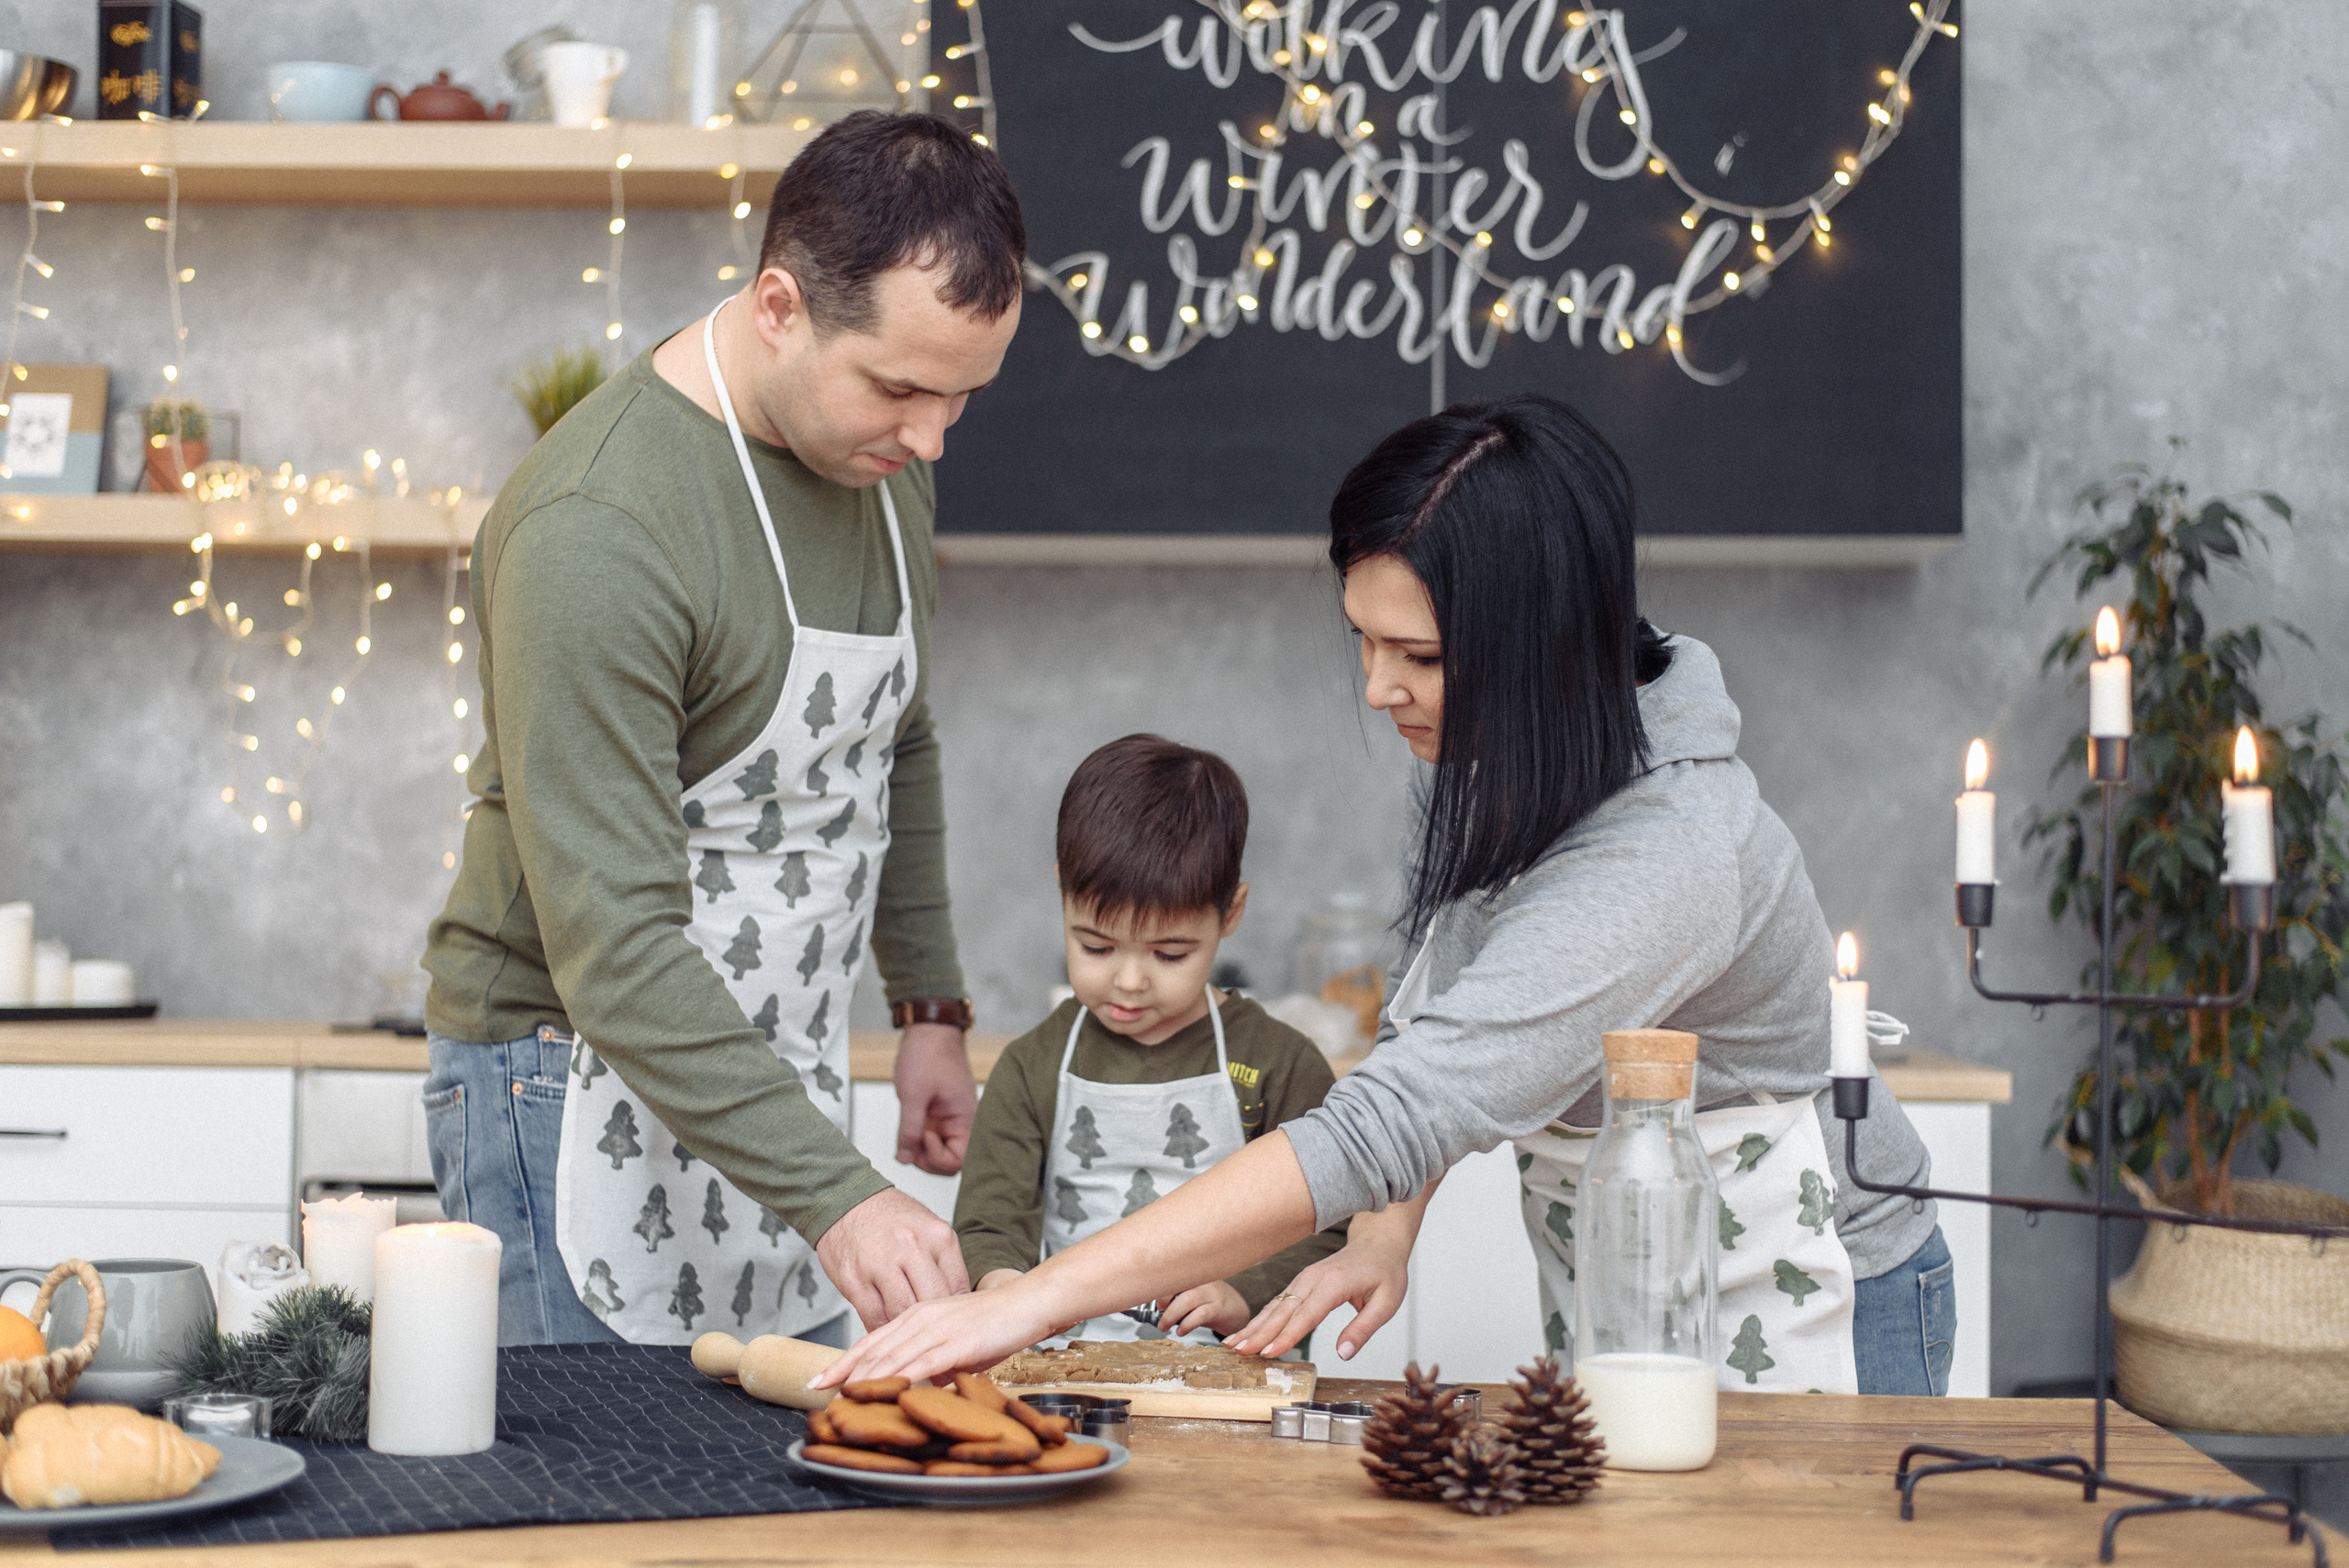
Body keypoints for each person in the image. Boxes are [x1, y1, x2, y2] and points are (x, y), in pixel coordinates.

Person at [816, 395, 1956, 1397]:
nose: (1377, 688)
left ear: (1533, 646)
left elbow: (1395, 1112)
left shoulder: (1666, 857)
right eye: (1363, 641)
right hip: (1631, 1268)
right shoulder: (1513, 755)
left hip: (1813, 1285)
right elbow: (1438, 1025)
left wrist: (1029, 1301)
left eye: (1415, 654)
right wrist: (1384, 1232)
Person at [418, 112, 1026, 1348]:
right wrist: (842, 1193)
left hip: (774, 1083)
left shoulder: (880, 459)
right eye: (903, 388)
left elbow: (892, 739)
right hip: (566, 1078)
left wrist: (929, 1015)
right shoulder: (599, 528)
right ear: (779, 307)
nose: (929, 440)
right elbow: (618, 946)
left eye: (963, 398)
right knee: (598, 1531)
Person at [953, 735, 1345, 1343]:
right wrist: (1006, 1291)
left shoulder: (1279, 1063)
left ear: (1230, 913)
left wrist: (1246, 1291)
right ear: (1063, 891)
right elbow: (988, 1224)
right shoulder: (1032, 1065)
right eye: (1096, 946)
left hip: (1235, 1391)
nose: (1129, 981)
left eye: (1169, 953)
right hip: (1069, 1380)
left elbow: (1327, 1222)